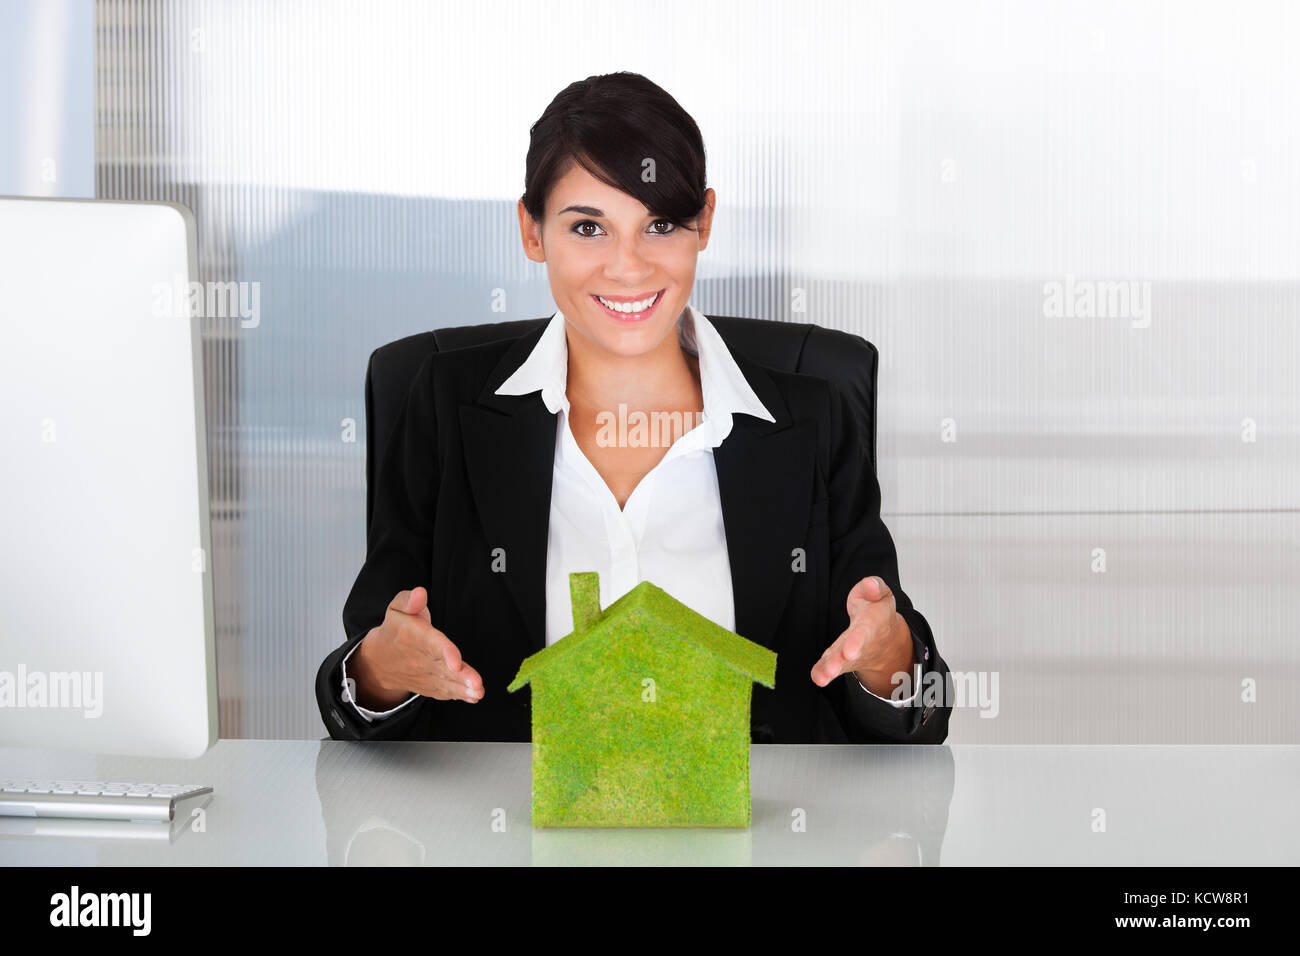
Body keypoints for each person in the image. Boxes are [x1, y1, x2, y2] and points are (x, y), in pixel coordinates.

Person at [316, 71, 951, 744]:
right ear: (531, 231)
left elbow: (922, 707)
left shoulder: (812, 417)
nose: (628, 266)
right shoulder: (444, 402)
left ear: (704, 221)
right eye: (588, 227)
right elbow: (357, 687)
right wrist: (382, 673)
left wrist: (889, 661)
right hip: (507, 839)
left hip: (758, 839)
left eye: (661, 224)